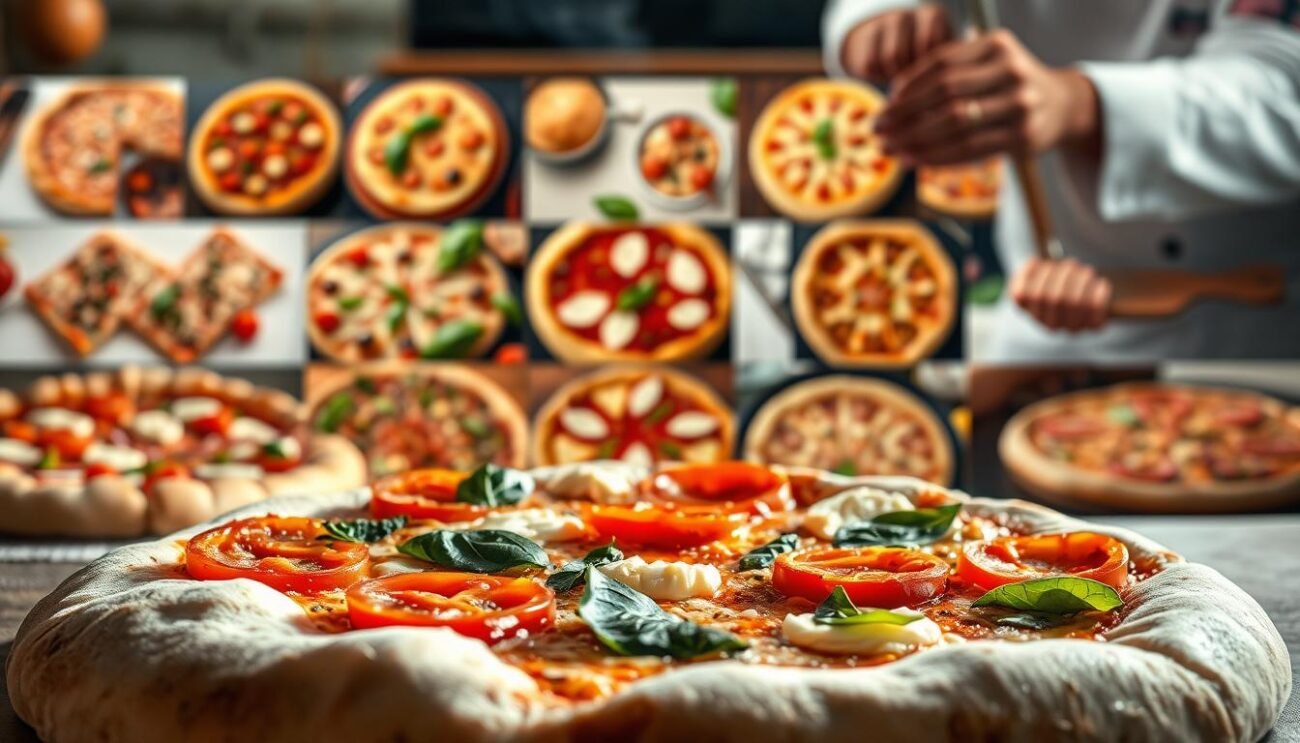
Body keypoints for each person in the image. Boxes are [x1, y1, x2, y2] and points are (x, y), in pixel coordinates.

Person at [824, 0, 1300, 361]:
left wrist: (1077, 104)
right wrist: (881, 18)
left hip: (1245, 324)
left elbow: (1282, 91)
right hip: (1040, 304)